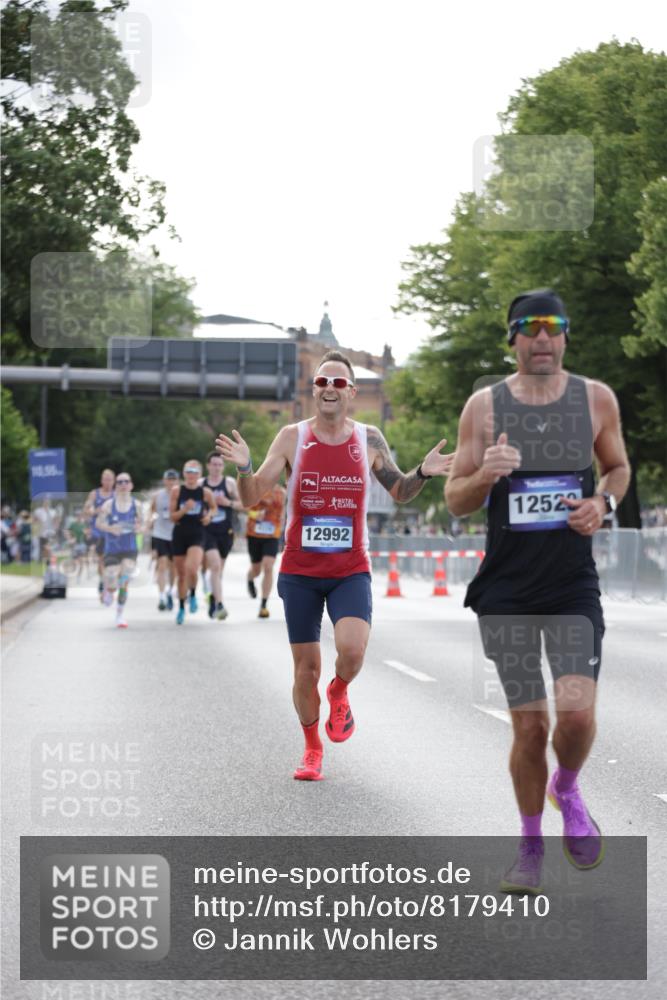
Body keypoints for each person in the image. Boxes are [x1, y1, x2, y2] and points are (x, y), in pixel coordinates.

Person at [445, 289, 630, 892]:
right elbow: (455, 498)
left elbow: (619, 468)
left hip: (572, 585)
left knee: (575, 717)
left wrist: (602, 503)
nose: (543, 337)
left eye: (553, 326)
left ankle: (567, 789)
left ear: (566, 335)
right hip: (507, 591)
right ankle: (529, 849)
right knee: (529, 728)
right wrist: (484, 474)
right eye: (530, 327)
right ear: (514, 339)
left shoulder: (595, 399)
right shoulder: (485, 406)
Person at [216, 349, 454, 781]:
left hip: (349, 569)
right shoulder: (291, 437)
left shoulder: (369, 439)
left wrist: (424, 470)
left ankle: (340, 691)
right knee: (306, 670)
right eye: (322, 382)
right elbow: (252, 497)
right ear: (314, 390)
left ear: (351, 393)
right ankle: (311, 748)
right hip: (301, 572)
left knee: (353, 649)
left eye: (338, 383)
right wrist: (246, 466)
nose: (329, 388)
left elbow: (400, 490)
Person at [169, 460, 216, 626]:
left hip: (197, 533)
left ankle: (194, 594)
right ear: (184, 473)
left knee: (192, 568)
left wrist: (209, 516)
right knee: (181, 575)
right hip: (180, 533)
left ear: (199, 474)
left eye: (195, 471)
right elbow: (172, 517)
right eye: (188, 471)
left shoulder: (205, 492)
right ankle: (181, 608)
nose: (191, 474)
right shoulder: (177, 491)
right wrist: (185, 509)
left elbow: (214, 508)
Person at [96, 472, 143, 629]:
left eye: (126, 482)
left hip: (129, 548)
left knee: (124, 580)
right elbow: (99, 523)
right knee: (111, 579)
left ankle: (120, 615)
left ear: (131, 485)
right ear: (116, 486)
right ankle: (108, 590)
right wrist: (110, 528)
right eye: (120, 482)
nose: (123, 484)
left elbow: (144, 526)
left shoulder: (137, 505)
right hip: (112, 548)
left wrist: (138, 528)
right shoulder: (109, 505)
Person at [201, 451, 244, 621]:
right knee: (215, 566)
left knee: (218, 571)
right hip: (206, 531)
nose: (217, 468)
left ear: (223, 466)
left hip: (226, 532)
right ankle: (220, 605)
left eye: (220, 464)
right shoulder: (201, 484)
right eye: (214, 464)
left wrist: (228, 503)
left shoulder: (230, 483)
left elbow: (244, 504)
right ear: (208, 466)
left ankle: (213, 597)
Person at [245, 482, 287, 618]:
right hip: (254, 534)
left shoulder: (282, 492)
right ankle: (250, 578)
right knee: (256, 569)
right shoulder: (256, 489)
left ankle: (263, 604)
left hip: (272, 535)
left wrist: (284, 529)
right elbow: (244, 507)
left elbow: (284, 512)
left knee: (268, 567)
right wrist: (254, 514)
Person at [84, 470, 115, 601]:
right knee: (102, 560)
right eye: (105, 479)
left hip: (112, 532)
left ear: (113, 481)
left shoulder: (116, 494)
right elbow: (87, 509)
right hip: (98, 532)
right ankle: (103, 582)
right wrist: (94, 510)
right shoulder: (94, 494)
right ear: (102, 480)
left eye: (110, 479)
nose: (107, 482)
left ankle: (106, 582)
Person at [150, 469, 179, 611]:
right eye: (169, 479)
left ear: (177, 481)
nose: (171, 482)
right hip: (160, 533)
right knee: (162, 564)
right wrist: (150, 521)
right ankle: (161, 596)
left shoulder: (180, 495)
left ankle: (170, 590)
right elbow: (152, 511)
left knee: (173, 567)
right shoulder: (158, 496)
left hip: (175, 534)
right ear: (164, 480)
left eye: (174, 479)